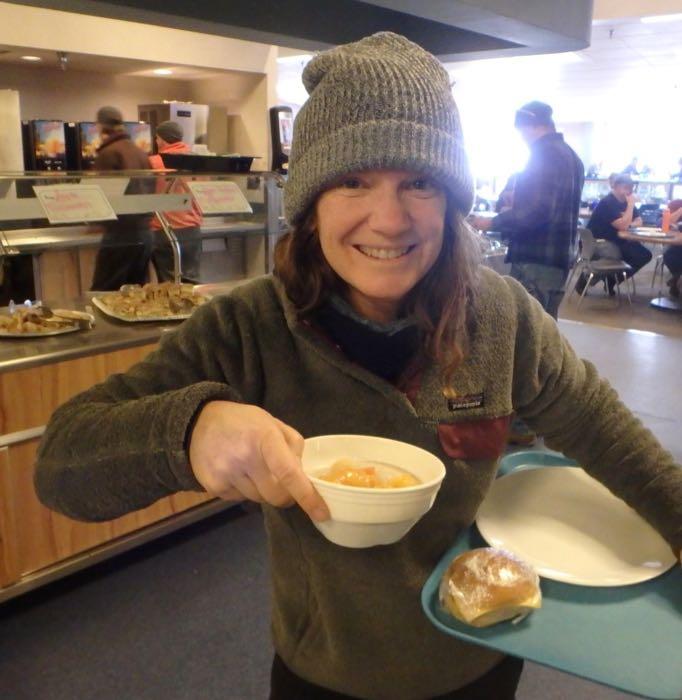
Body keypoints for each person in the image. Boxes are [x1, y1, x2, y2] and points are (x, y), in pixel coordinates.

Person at [34, 33, 681, 700]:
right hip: (325, 677)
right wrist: (190, 431)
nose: (390, 219)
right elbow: (62, 466)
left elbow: (610, 436)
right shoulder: (249, 327)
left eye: (420, 183)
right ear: (311, 203)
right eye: (353, 180)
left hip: (482, 662)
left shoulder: (502, 318)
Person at [470, 101, 584, 321]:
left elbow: (537, 212)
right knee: (546, 332)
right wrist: (521, 199)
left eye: (521, 131)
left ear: (531, 125)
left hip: (535, 259)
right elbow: (554, 205)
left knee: (526, 330)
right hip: (558, 258)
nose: (522, 138)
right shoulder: (572, 157)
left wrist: (491, 222)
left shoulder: (543, 154)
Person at [90, 106, 154, 291]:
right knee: (136, 293)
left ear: (100, 126)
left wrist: (94, 220)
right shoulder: (140, 152)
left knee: (105, 292)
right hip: (144, 232)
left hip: (120, 233)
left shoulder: (108, 153)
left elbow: (103, 194)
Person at [576, 173, 651, 296]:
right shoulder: (608, 202)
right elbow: (622, 226)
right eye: (626, 188)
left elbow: (639, 221)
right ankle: (585, 278)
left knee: (644, 255)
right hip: (598, 241)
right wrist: (631, 207)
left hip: (619, 240)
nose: (629, 191)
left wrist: (629, 222)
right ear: (616, 187)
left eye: (631, 188)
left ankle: (611, 279)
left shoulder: (626, 202)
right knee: (616, 254)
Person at [148, 120, 204, 283]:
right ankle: (194, 309)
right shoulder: (199, 161)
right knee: (191, 281)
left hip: (164, 229)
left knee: (169, 285)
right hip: (192, 229)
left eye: (157, 139)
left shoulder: (153, 163)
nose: (156, 142)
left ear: (163, 140)